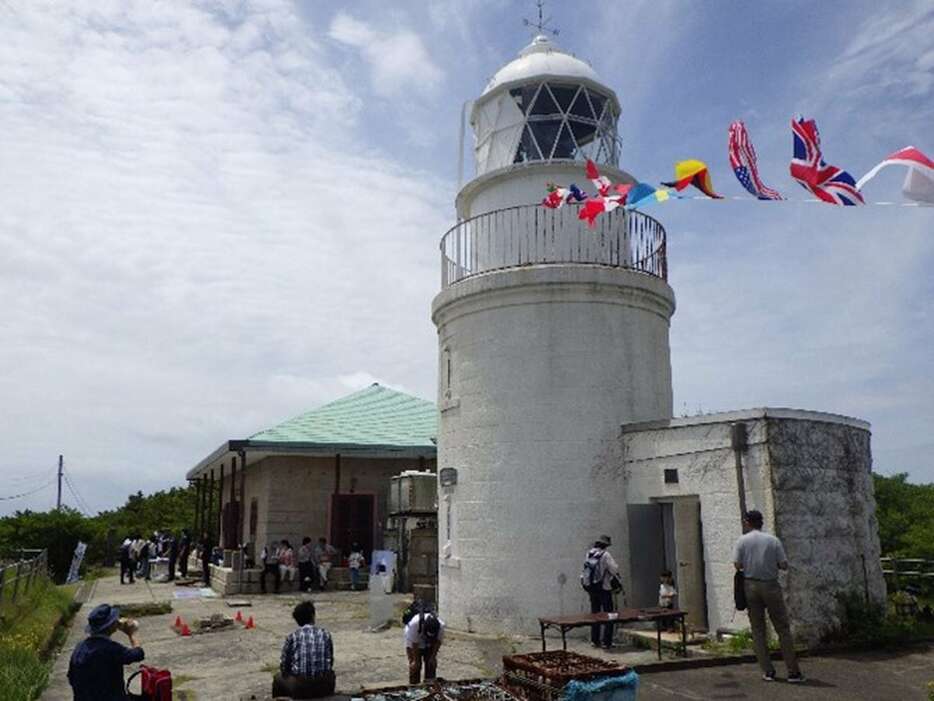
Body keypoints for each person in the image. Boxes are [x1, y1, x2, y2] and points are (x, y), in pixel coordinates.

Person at [733, 509, 804, 683]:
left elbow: (737, 564)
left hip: (750, 585)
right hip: (770, 585)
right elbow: (783, 564)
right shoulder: (773, 540)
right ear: (761, 522)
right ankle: (793, 671)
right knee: (782, 628)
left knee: (758, 629)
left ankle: (768, 671)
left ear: (747, 522)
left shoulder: (742, 541)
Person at [67, 603, 144, 700]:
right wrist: (132, 634)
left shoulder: (80, 647)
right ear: (111, 625)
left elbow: (71, 677)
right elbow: (138, 654)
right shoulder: (110, 649)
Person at [273, 601, 335, 699]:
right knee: (330, 674)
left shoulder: (293, 637)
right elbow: (330, 661)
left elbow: (284, 666)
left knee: (277, 678)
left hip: (301, 687)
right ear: (313, 616)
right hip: (325, 686)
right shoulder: (325, 634)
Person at [583, 535, 620, 649]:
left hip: (592, 588)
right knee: (609, 615)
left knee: (595, 614)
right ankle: (606, 642)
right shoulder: (605, 555)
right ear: (606, 545)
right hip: (604, 588)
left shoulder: (589, 553)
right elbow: (614, 569)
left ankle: (595, 640)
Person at [403, 607, 444, 684]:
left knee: (431, 664)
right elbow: (414, 644)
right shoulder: (414, 624)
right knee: (415, 666)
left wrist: (433, 657)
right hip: (412, 641)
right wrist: (415, 660)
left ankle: (430, 685)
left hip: (430, 642)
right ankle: (414, 688)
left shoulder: (441, 626)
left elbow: (438, 641)